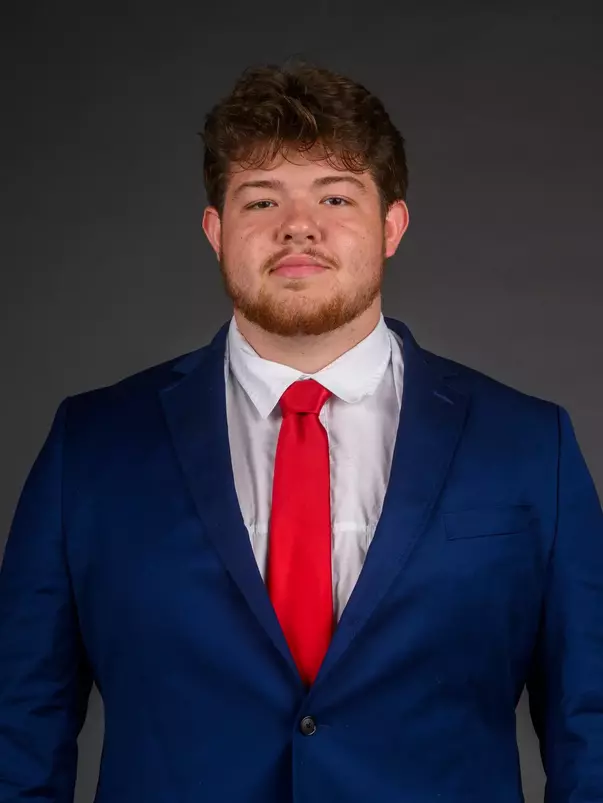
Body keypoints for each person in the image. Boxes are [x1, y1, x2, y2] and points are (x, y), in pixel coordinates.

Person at [0, 59, 602, 803]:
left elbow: (591, 724)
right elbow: (19, 725)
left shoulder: (527, 445)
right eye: (260, 200)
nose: (298, 226)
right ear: (215, 230)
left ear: (392, 225)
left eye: (335, 195)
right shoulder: (89, 445)